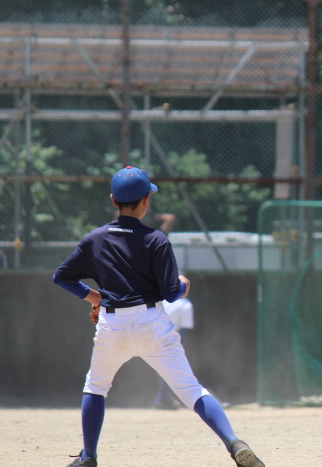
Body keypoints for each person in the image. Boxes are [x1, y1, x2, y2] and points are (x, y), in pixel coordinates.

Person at [53, 166, 264, 467]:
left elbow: (62, 277)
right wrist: (184, 284)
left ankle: (89, 456)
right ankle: (233, 441)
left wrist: (95, 297)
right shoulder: (156, 239)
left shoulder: (95, 238)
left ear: (113, 200)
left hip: (113, 325)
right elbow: (171, 293)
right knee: (191, 390)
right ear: (146, 201)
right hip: (151, 323)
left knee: (96, 387)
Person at [153, 294, 194, 410]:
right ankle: (162, 399)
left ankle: (164, 398)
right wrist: (181, 347)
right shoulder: (186, 305)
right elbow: (184, 330)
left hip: (152, 335)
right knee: (172, 368)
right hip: (170, 338)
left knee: (163, 368)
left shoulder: (164, 299)